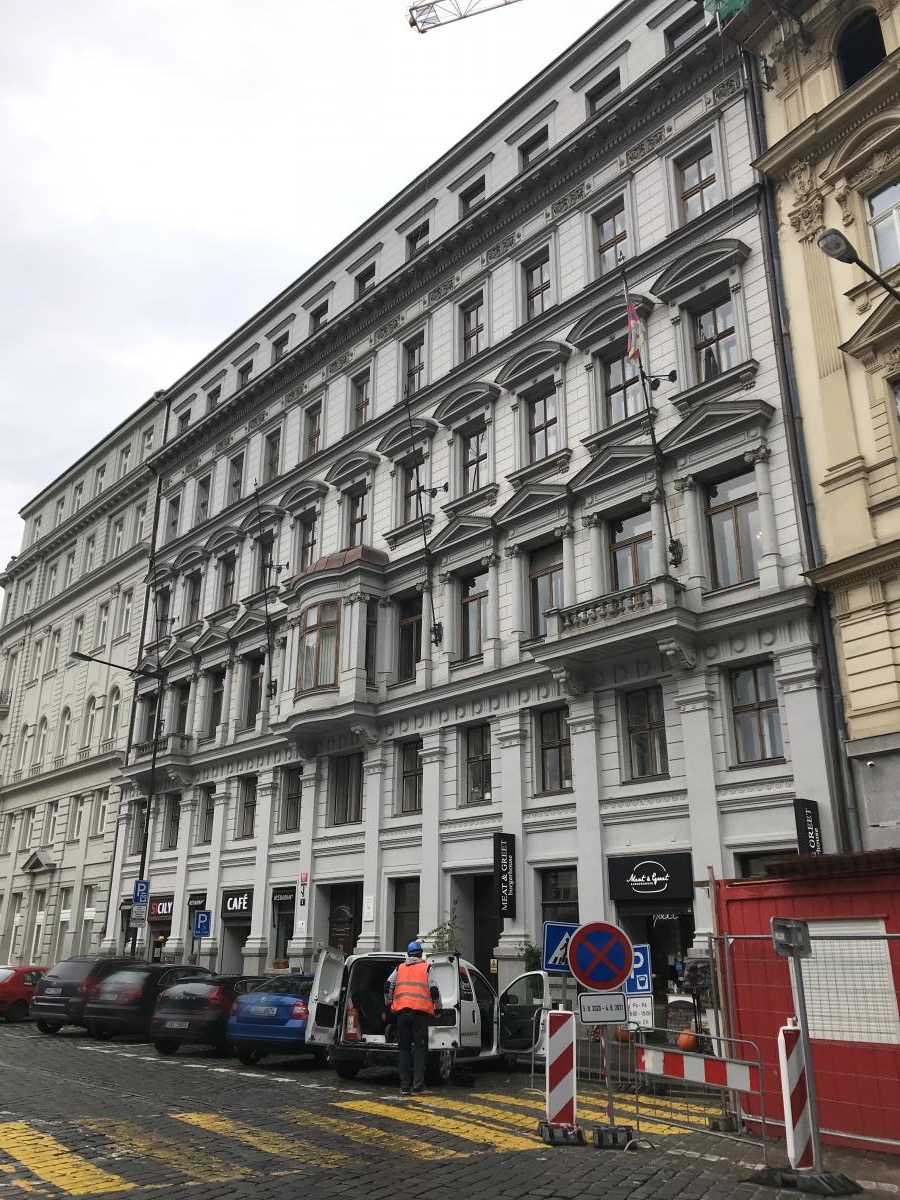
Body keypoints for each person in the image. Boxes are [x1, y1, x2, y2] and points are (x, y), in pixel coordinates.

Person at [385, 940, 441, 1096]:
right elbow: (434, 991)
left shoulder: (400, 968)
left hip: (402, 1014)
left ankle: (404, 1086)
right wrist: (438, 1008)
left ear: (408, 954)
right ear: (420, 954)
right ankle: (418, 1086)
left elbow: (387, 985)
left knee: (404, 1049)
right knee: (420, 1050)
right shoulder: (426, 968)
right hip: (420, 1015)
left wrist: (389, 1003)